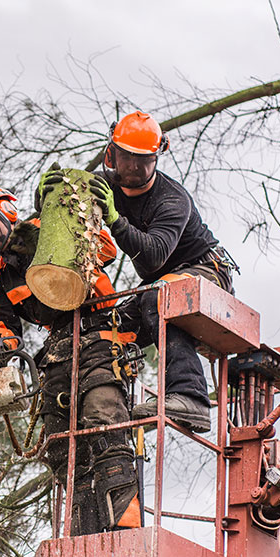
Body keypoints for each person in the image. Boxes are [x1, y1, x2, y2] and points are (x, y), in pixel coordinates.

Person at [0, 184, 140, 536]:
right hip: (56, 350)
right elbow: (2, 326)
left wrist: (63, 233)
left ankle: (126, 529)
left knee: (104, 420)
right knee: (60, 446)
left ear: (6, 212)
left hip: (99, 330)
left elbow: (106, 248)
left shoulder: (49, 225)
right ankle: (83, 534)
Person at [84, 110, 237, 434]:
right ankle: (109, 414)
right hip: (160, 283)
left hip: (206, 269)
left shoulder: (171, 199)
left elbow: (153, 256)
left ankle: (190, 396)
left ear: (156, 159)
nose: (133, 167)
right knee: (105, 326)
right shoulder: (106, 185)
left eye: (142, 160)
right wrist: (49, 193)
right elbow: (70, 193)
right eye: (126, 158)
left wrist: (115, 220)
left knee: (158, 298)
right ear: (112, 155)